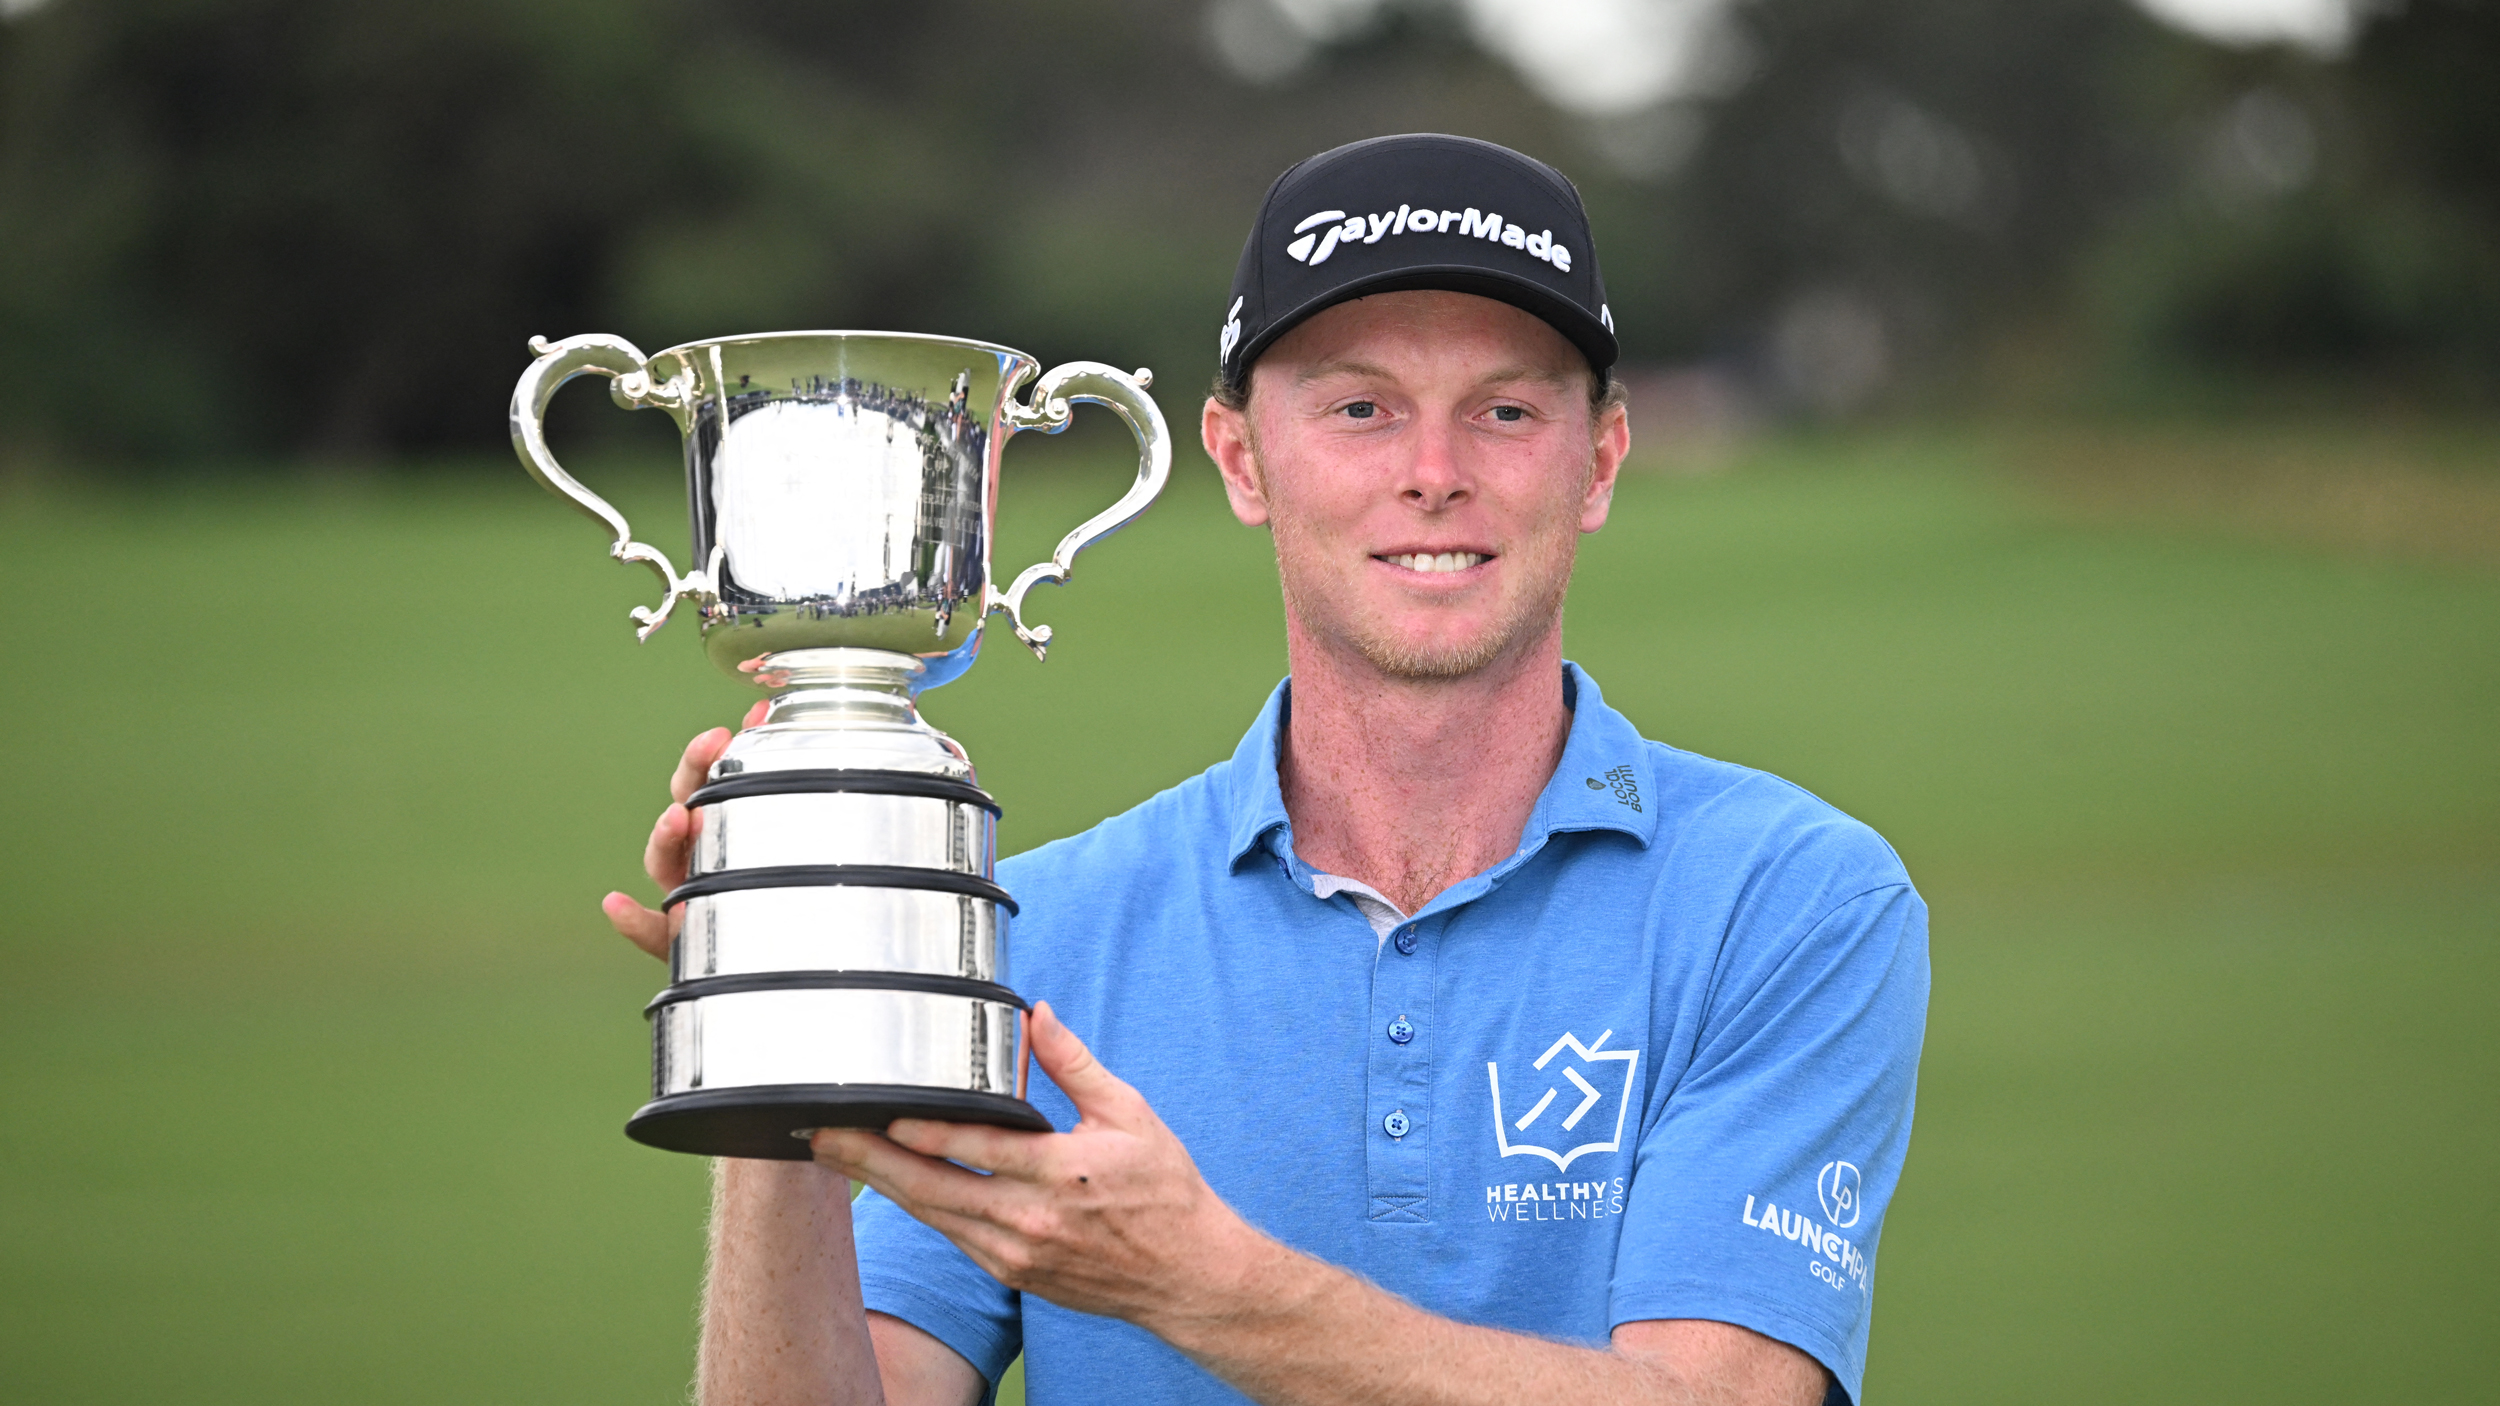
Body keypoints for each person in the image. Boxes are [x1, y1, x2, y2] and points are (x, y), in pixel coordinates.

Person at [604, 133, 1928, 1406]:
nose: (1434, 474)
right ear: (1241, 458)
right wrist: (773, 1064)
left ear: (1600, 461)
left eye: (1506, 410)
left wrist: (1202, 1282)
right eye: (1360, 408)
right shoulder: (1029, 931)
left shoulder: (1791, 900)